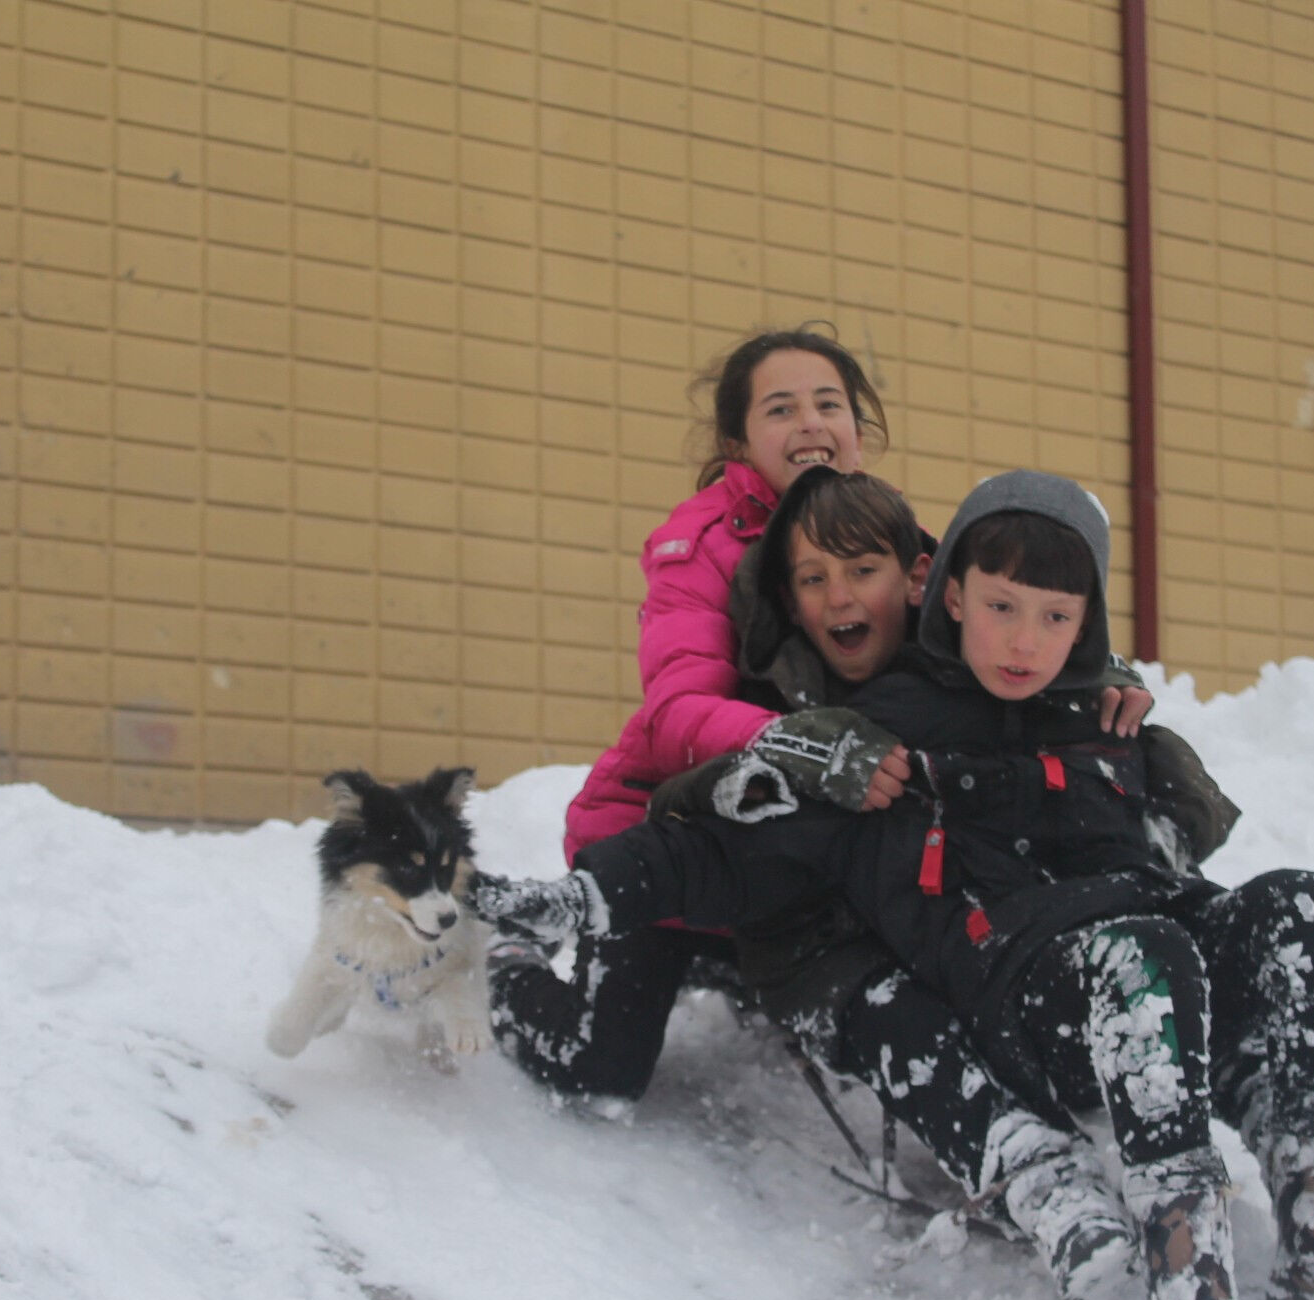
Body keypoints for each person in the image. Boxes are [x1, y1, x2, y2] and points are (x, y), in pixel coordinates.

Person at [478, 468, 1314, 1300]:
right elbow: (730, 845)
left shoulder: (1098, 717)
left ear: (1087, 623)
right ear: (948, 596)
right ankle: (1190, 1292)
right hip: (1024, 996)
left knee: (1300, 904)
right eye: (1001, 608)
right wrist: (585, 895)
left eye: (1056, 618)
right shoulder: (886, 734)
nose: (1025, 640)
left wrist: (1157, 764)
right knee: (1144, 955)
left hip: (1147, 957)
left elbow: (1172, 851)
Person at [487, 326, 1147, 1102]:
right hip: (673, 833)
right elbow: (677, 713)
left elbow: (990, 617)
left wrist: (1093, 676)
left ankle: (744, 968)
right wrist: (796, 744)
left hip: (801, 846)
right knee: (601, 1067)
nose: (810, 422)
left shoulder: (886, 529)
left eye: (828, 404)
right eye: (781, 408)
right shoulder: (700, 547)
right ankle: (506, 964)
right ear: (737, 443)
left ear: (857, 430)